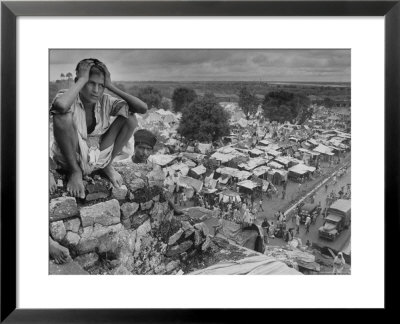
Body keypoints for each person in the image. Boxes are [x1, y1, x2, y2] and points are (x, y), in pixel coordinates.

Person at [49, 58, 147, 198]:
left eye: (100, 85)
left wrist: (110, 86)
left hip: (97, 157)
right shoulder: (67, 97)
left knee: (130, 118)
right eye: (91, 83)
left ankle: (106, 165)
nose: (96, 90)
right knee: (62, 116)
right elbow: (60, 107)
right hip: (71, 159)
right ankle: (75, 172)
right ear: (79, 81)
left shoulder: (106, 100)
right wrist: (82, 79)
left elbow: (142, 108)